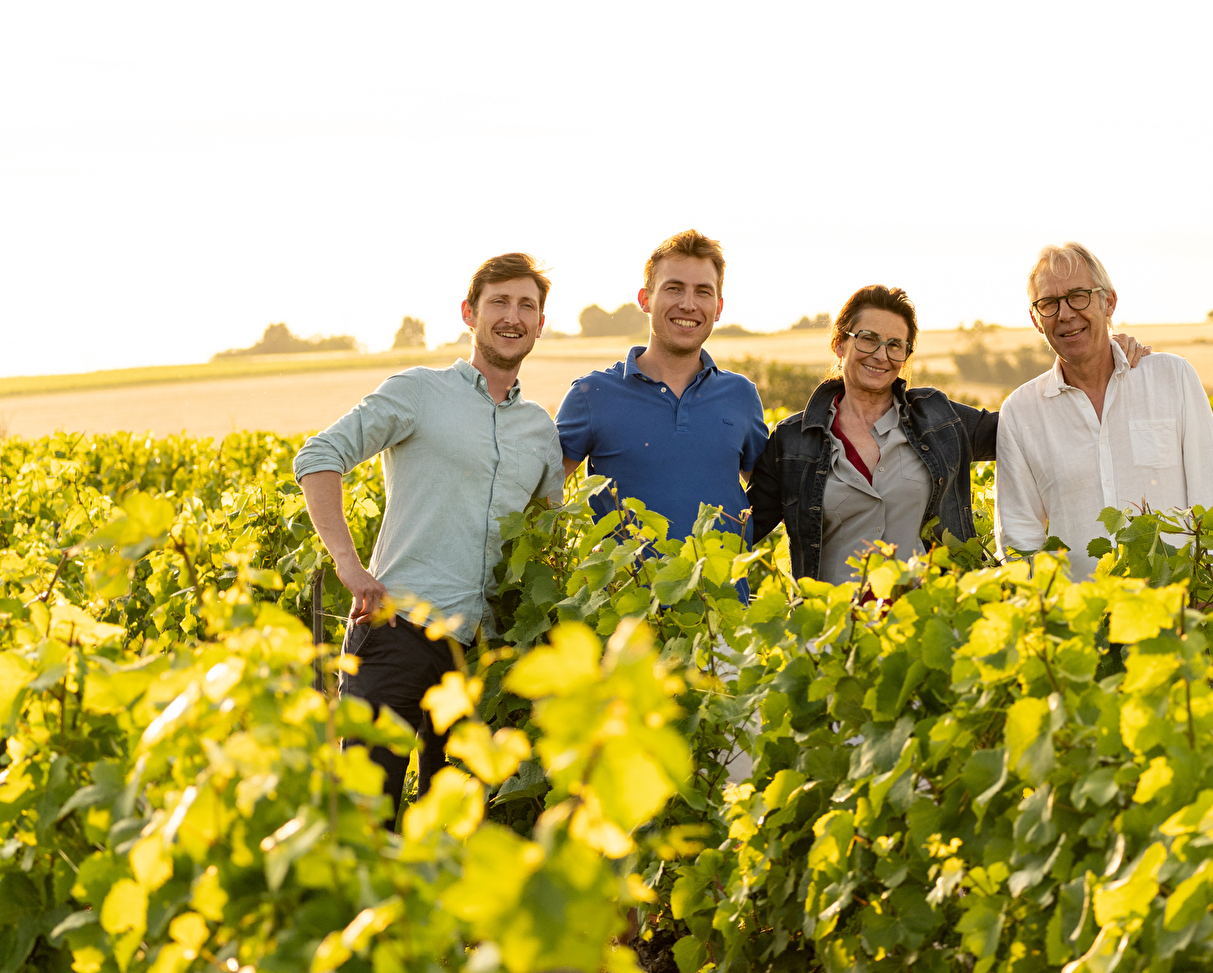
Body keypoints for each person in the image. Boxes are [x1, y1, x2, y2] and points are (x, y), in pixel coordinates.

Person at [293, 252, 565, 823]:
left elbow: (543, 542)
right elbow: (319, 456)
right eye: (498, 302)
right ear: (469, 313)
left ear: (540, 324)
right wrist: (348, 564)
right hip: (394, 633)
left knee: (450, 832)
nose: (512, 316)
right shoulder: (419, 392)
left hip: (481, 658)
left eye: (526, 306)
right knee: (366, 821)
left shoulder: (540, 430)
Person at [749, 284, 1152, 582]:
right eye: (868, 339)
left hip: (929, 624)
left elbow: (1028, 422)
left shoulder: (938, 419)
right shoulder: (792, 441)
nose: (881, 355)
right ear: (839, 344)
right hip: (831, 638)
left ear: (906, 355)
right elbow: (741, 531)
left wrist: (1099, 355)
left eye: (895, 345)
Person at [995, 241, 1213, 580]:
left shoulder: (1173, 378)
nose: (1065, 314)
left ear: (1108, 302)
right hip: (1078, 611)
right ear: (1036, 319)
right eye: (1049, 303)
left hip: (1182, 607)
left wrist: (1208, 599)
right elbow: (1019, 538)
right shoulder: (1020, 413)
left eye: (1078, 296)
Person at [556, 230, 767, 543]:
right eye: (674, 288)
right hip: (623, 576)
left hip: (720, 577)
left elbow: (770, 497)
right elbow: (540, 496)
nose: (688, 304)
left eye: (703, 292)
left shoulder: (741, 396)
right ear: (645, 299)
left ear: (718, 307)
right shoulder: (592, 395)